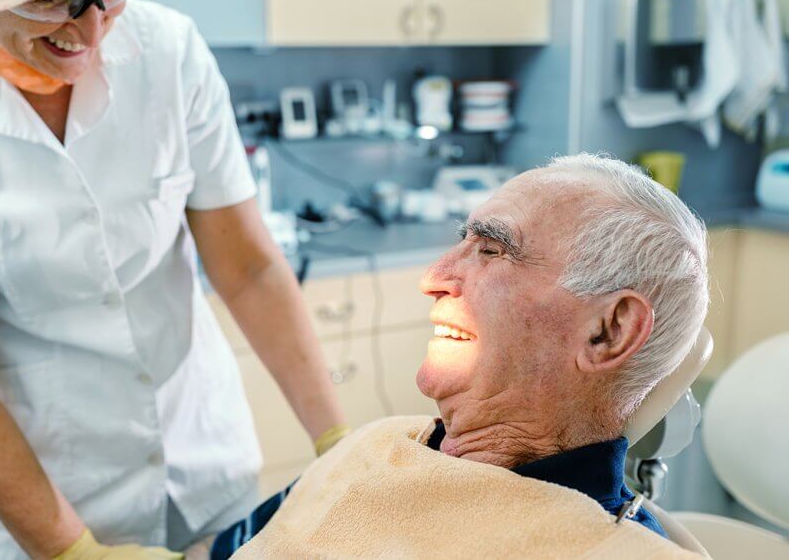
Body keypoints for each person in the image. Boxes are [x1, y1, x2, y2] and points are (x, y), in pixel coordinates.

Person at [0, 0, 348, 557]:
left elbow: (249, 269)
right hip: (43, 503)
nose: (92, 29)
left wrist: (338, 441)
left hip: (202, 469)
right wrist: (74, 551)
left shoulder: (170, 52)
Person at [207, 154, 709, 558]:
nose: (433, 278)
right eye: (461, 242)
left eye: (491, 251)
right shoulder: (380, 445)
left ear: (607, 331)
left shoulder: (611, 547)